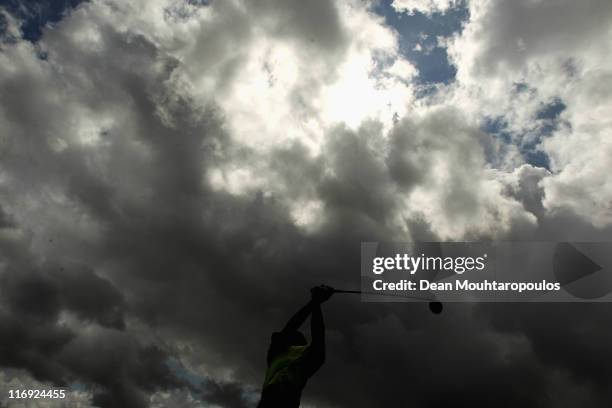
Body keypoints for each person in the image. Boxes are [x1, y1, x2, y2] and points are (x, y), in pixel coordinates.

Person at [257, 285, 335, 408]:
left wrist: (315, 302)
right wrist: (315, 302)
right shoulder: (278, 354)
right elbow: (309, 331)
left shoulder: (278, 355)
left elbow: (315, 332)